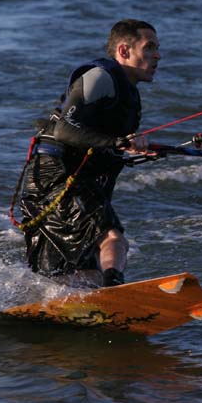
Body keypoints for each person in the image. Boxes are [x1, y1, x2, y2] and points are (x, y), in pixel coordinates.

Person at [19, 19, 160, 287]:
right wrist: (118, 142)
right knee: (113, 239)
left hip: (70, 176)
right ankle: (115, 289)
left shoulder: (129, 95)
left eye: (158, 48)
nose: (157, 55)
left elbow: (104, 142)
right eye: (149, 47)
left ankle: (42, 308)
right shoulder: (100, 76)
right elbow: (64, 130)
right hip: (57, 175)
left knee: (81, 274)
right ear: (124, 51)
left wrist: (132, 147)